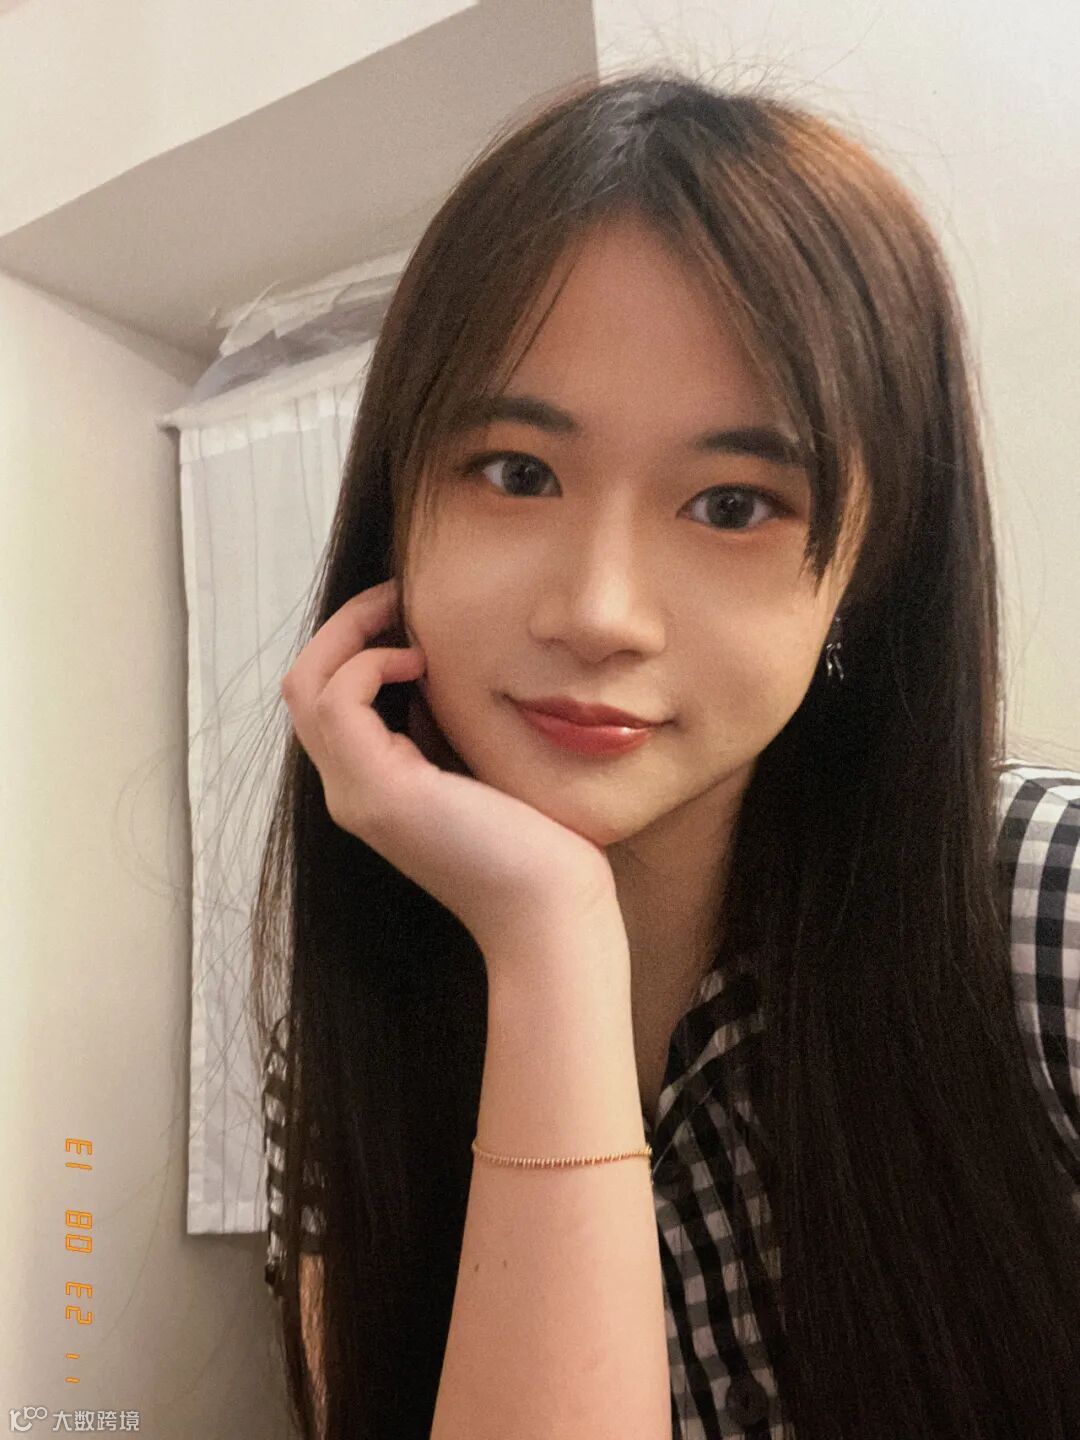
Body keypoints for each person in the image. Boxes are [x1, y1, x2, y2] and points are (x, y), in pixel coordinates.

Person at [252, 68, 1080, 1440]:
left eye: (734, 504)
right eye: (517, 472)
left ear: (861, 576)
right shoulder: (349, 1037)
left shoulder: (1043, 908)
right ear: (399, 506)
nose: (599, 613)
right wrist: (550, 940)